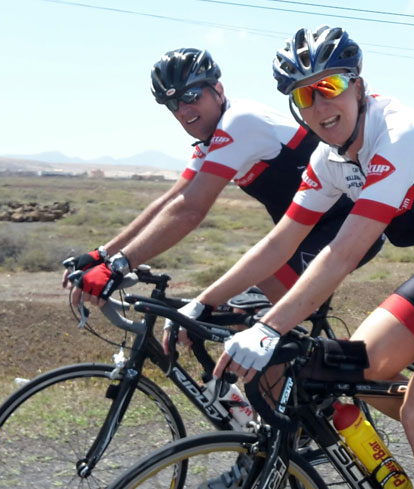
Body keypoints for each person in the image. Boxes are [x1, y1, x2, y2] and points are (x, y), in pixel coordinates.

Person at [188, 26, 414, 489]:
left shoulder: (400, 134)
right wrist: (201, 301)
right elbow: (279, 244)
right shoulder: (328, 159)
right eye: (304, 95)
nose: (320, 107)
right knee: (354, 367)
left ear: (358, 85)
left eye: (330, 87)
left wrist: (270, 327)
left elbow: (343, 251)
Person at [65, 48, 383, 337]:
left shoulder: (240, 122)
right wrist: (103, 255)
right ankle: (315, 398)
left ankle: (306, 399)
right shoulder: (212, 140)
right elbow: (171, 201)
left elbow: (191, 210)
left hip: (342, 228)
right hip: (303, 235)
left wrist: (119, 265)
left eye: (191, 95)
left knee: (245, 321)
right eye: (173, 103)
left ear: (218, 90)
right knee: (248, 329)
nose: (184, 110)